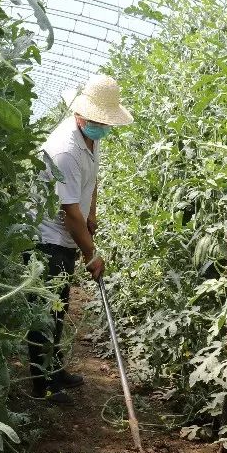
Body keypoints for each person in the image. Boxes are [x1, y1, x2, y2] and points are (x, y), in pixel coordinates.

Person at [27, 74, 134, 404]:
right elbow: (68, 212)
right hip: (47, 238)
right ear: (82, 115)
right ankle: (42, 385)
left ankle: (55, 371)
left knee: (59, 307)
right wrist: (91, 254)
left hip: (67, 231)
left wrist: (93, 214)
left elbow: (92, 181)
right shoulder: (65, 150)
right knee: (45, 311)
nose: (104, 128)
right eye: (100, 121)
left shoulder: (91, 136)